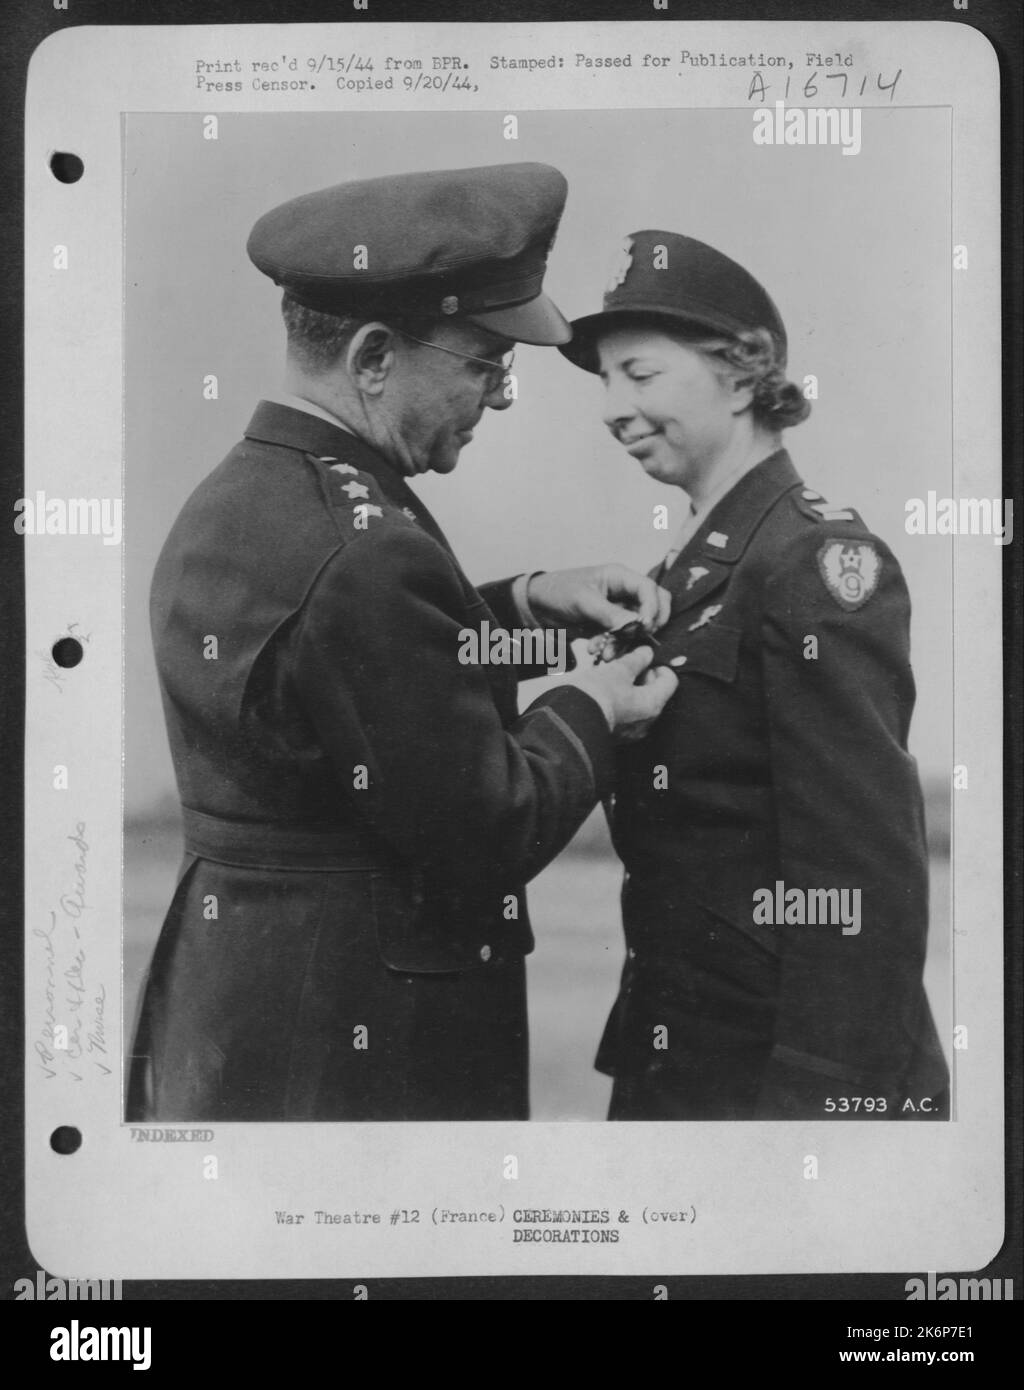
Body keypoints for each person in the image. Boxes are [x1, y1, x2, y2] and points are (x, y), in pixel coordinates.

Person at [126, 166, 677, 1124]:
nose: (499, 399)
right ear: (375, 357)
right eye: (484, 364)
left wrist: (531, 606)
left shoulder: (243, 498)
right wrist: (593, 708)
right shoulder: (367, 549)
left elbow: (351, 681)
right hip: (359, 1040)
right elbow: (487, 826)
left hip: (241, 1009)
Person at [560, 230, 950, 1121]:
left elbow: (861, 877)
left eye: (641, 375)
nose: (613, 407)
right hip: (686, 1052)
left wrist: (825, 1104)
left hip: (779, 1076)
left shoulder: (814, 561)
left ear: (741, 377)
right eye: (606, 381)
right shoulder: (694, 571)